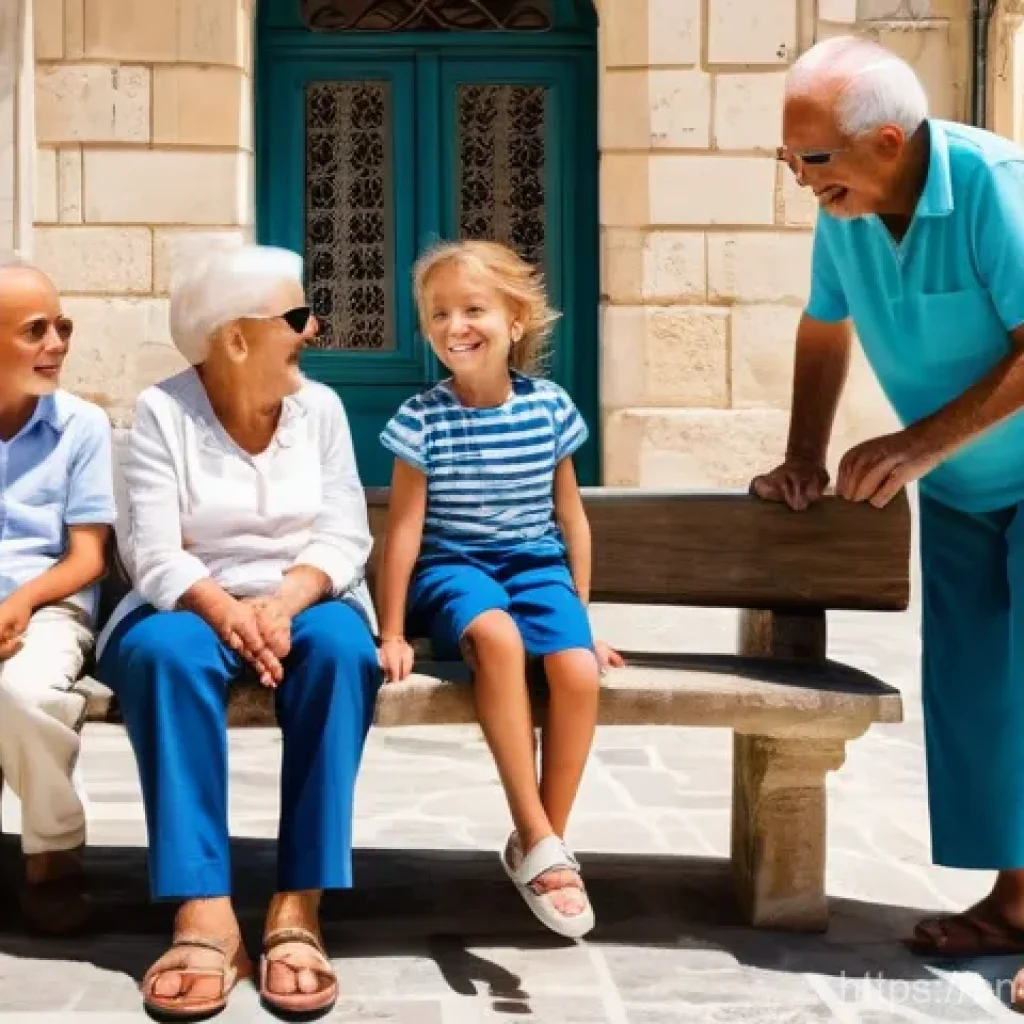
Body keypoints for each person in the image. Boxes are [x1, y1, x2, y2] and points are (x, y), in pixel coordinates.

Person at [752, 35, 1024, 991]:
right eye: (788, 160)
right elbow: (825, 328)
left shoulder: (997, 187)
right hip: (963, 490)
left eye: (813, 160)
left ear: (888, 141)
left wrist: (916, 445)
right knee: (979, 695)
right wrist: (802, 455)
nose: (801, 182)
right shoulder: (849, 209)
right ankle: (1017, 899)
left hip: (982, 468)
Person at [96, 245, 380, 1020]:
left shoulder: (319, 408)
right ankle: (203, 911)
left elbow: (346, 532)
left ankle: (299, 903)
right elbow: (150, 549)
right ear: (234, 337)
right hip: (187, 603)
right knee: (166, 655)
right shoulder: (162, 412)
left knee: (343, 652)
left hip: (307, 595)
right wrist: (226, 610)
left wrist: (283, 603)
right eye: (295, 316)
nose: (312, 328)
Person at [376, 240, 623, 939]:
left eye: (474, 309)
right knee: (496, 635)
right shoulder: (423, 417)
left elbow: (570, 517)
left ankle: (543, 841)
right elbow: (402, 533)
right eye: (439, 313)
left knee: (576, 669)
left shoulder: (549, 408)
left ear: (516, 322)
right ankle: (540, 842)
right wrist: (393, 631)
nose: (456, 325)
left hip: (536, 566)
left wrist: (581, 617)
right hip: (453, 568)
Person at [0, 261, 115, 934]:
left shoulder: (81, 427)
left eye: (62, 326)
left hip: (50, 604)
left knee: (22, 695)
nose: (57, 344)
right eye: (34, 330)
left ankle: (54, 850)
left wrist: (20, 604)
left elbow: (87, 559)